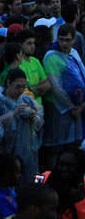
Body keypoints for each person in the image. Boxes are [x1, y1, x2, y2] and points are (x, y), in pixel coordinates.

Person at [42, 24, 85, 170]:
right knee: (55, 148)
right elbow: (56, 87)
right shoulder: (51, 56)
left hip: (76, 108)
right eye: (61, 40)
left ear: (74, 40)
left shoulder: (74, 53)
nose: (64, 43)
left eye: (68, 40)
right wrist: (72, 107)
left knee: (74, 147)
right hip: (58, 108)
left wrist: (81, 105)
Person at [0, 68, 43, 183]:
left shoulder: (27, 100)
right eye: (17, 86)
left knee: (29, 180)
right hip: (6, 150)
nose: (20, 90)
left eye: (23, 87)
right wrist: (14, 113)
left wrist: (35, 116)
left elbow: (39, 123)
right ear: (8, 83)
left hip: (27, 150)